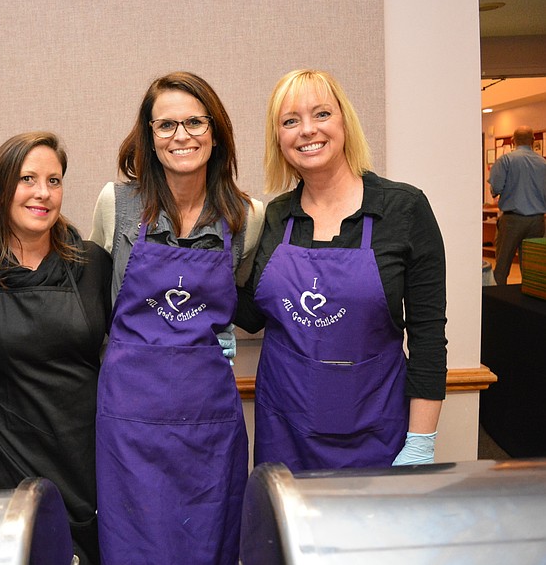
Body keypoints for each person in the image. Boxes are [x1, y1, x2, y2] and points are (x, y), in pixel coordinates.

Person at [89, 71, 264, 565]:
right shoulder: (116, 204)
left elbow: (244, 295)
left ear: (216, 129)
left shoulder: (248, 215)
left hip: (207, 421)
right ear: (148, 134)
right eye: (165, 125)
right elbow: (98, 298)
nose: (181, 135)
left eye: (193, 122)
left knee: (209, 542)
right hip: (129, 420)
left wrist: (224, 331)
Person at [234, 69, 447, 473]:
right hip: (285, 431)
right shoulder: (277, 217)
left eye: (321, 114)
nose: (307, 130)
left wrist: (421, 441)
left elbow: (429, 337)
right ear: (278, 139)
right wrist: (209, 295)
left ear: (344, 121)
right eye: (290, 121)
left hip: (375, 431)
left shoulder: (404, 209)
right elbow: (253, 314)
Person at [0, 132, 111, 565]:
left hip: (84, 454)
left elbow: (129, 347)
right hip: (9, 452)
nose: (43, 193)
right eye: (28, 179)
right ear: (2, 187)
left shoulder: (93, 263)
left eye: (54, 180)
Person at [488, 125, 546, 285]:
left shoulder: (506, 160)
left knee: (502, 267)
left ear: (513, 141)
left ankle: (499, 305)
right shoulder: (543, 163)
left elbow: (496, 188)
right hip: (537, 221)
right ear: (533, 141)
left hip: (512, 221)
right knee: (532, 268)